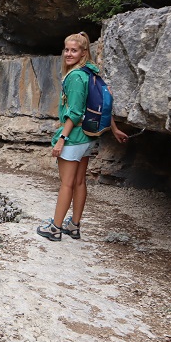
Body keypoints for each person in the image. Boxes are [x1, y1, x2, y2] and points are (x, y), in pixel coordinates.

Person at [37, 32, 128, 241]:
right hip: (88, 137)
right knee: (79, 181)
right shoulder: (90, 73)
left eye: (74, 50)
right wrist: (114, 129)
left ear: (83, 52)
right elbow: (99, 104)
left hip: (75, 136)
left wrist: (62, 139)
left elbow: (76, 112)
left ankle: (55, 228)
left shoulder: (76, 76)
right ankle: (74, 226)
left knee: (67, 183)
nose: (69, 54)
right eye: (67, 50)